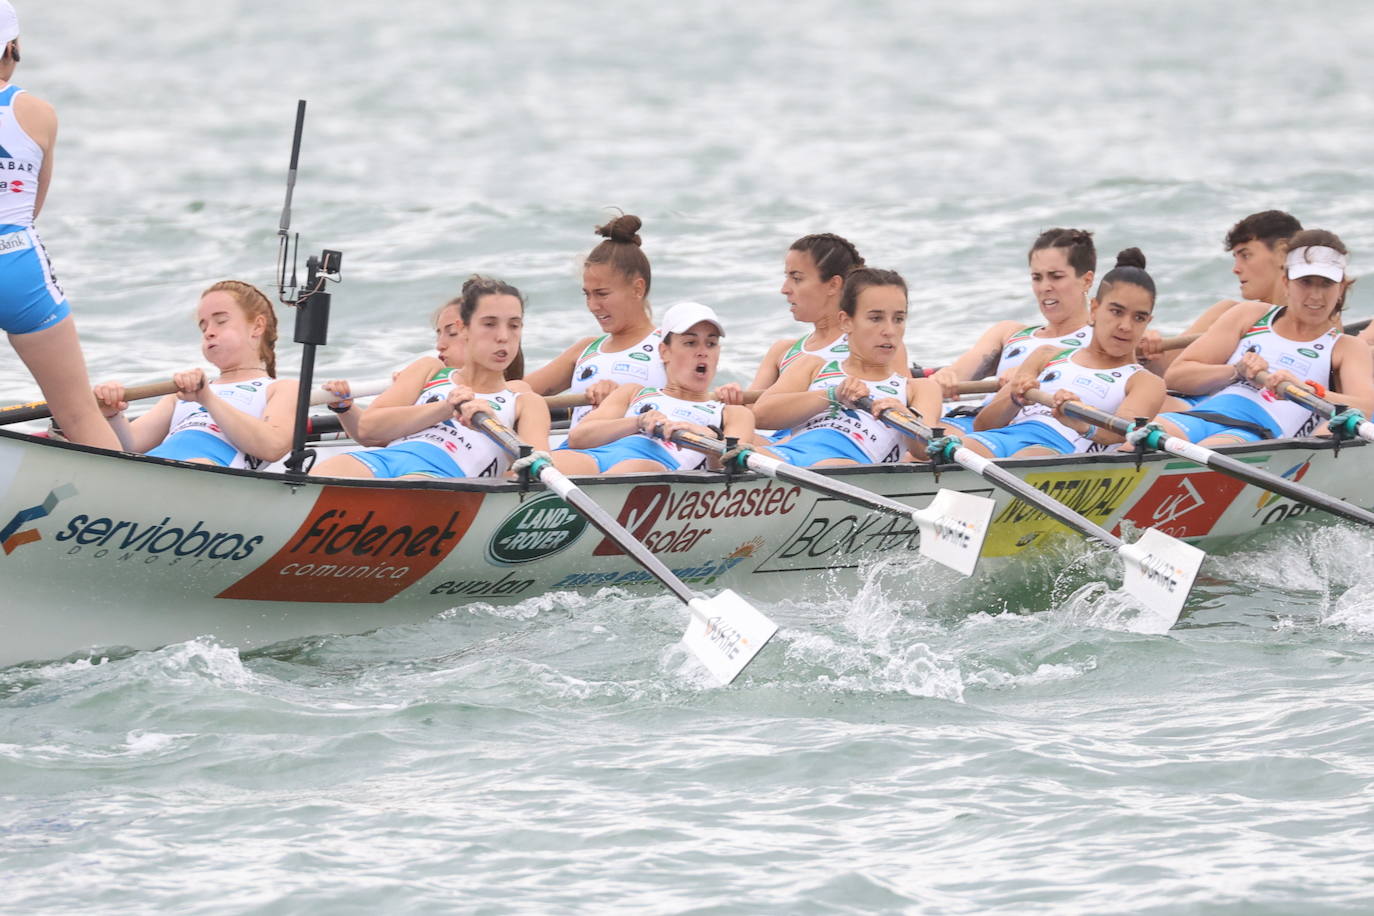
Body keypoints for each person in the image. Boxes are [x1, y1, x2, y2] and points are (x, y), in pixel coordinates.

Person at [0, 3, 119, 450]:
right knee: (78, 412)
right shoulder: (38, 112)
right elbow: (32, 206)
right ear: (12, 47)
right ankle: (124, 505)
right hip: (16, 262)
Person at [1145, 229, 1374, 447]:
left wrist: (1307, 391)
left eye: (1326, 284)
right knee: (1141, 442)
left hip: (1257, 432)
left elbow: (1367, 407)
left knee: (1211, 449)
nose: (1315, 295)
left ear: (1341, 288)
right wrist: (1236, 370)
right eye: (1305, 282)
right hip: (1203, 415)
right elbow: (1176, 376)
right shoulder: (1249, 315)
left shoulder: (1346, 347)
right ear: (1286, 282)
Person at [312, 276, 549, 479]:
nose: (503, 337)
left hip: (441, 476)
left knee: (404, 490)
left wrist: (491, 424)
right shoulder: (430, 369)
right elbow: (368, 429)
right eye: (489, 324)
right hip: (384, 459)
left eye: (514, 326)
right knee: (328, 471)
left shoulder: (526, 401)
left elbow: (537, 473)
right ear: (464, 328)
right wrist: (446, 408)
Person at [962, 249, 1166, 458]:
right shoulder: (1046, 355)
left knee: (1028, 458)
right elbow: (982, 425)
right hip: (1003, 437)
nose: (1126, 326)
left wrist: (1081, 423)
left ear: (1148, 322)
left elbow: (1122, 432)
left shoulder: (1146, 382)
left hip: (1057, 450)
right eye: (1116, 312)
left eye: (1139, 318)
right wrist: (1015, 398)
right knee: (963, 448)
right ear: (1094, 309)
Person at [751, 267, 943, 467]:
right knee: (743, 456)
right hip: (785, 455)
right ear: (846, 321)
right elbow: (761, 415)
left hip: (844, 465)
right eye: (876, 318)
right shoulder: (812, 366)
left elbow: (925, 452)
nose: (889, 331)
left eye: (898, 319)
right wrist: (833, 396)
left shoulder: (920, 388)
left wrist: (906, 417)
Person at [92, 282, 297, 468]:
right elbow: (131, 445)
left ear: (257, 326)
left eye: (221, 321)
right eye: (203, 326)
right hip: (157, 466)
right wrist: (112, 414)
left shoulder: (281, 388)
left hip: (209, 473)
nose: (208, 332)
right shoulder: (180, 394)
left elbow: (273, 447)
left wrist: (207, 399)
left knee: (196, 464)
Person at [553, 302, 755, 474]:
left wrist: (708, 438)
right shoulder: (633, 392)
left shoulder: (733, 414)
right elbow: (578, 438)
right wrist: (638, 422)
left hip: (656, 470)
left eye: (711, 344)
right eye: (691, 342)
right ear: (664, 351)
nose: (702, 352)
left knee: (637, 467)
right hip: (599, 457)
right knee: (551, 464)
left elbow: (732, 471)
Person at [930, 228, 1096, 431]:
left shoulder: (1102, 341)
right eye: (1037, 277)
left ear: (1087, 280)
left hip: (1042, 430)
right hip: (979, 423)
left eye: (1056, 276)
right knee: (920, 448)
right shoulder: (1009, 333)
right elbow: (959, 373)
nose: (1044, 287)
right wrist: (946, 377)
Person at [1139, 210, 1304, 396]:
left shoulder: (1322, 326)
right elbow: (1166, 373)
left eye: (1246, 255)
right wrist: (1146, 353)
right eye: (1236, 258)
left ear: (1282, 253)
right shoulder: (1228, 313)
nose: (1236, 269)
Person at [523, 213, 666, 426]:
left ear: (637, 289)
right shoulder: (586, 349)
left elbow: (692, 403)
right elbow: (514, 393)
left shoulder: (669, 347)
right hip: (579, 449)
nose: (592, 305)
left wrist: (620, 397)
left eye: (602, 294)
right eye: (587, 294)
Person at [747, 233, 905, 390]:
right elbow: (751, 410)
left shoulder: (879, 345)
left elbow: (901, 398)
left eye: (796, 278)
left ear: (833, 285)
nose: (785, 289)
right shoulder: (782, 350)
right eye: (787, 277)